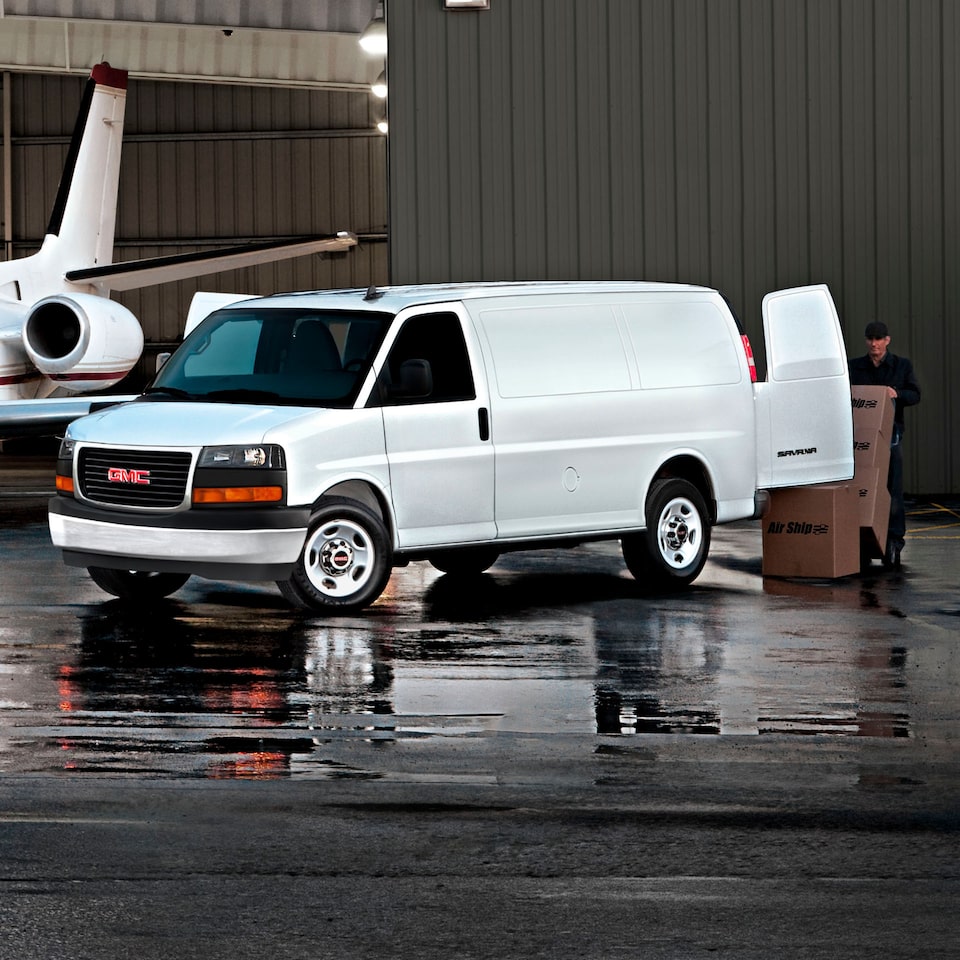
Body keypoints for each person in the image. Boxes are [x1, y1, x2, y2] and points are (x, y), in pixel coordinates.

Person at [848, 321, 921, 568]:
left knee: (892, 492)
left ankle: (893, 542)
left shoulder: (901, 366)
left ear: (887, 340)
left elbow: (915, 394)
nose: (874, 344)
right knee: (860, 488)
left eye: (879, 339)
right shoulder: (855, 367)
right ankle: (862, 540)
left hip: (890, 436)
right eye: (870, 339)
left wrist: (896, 394)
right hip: (860, 439)